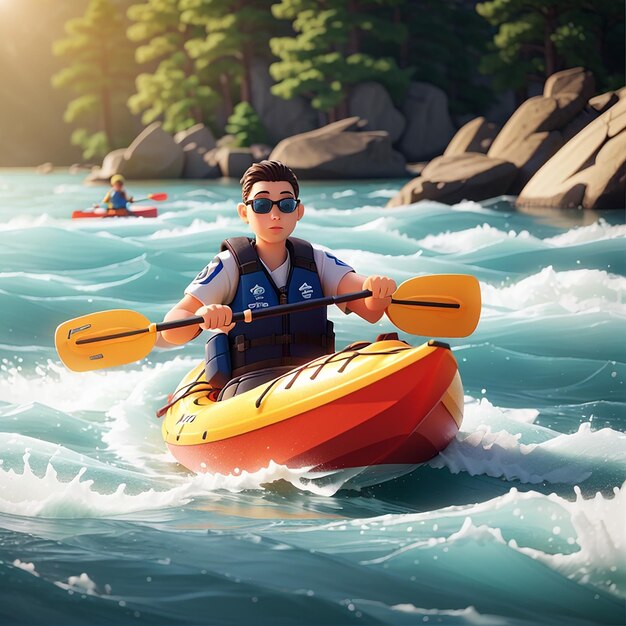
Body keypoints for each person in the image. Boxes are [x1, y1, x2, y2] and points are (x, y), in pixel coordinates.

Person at [159, 160, 396, 395]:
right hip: (248, 387)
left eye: (285, 204)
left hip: (313, 378)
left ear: (298, 211)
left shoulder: (317, 259)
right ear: (245, 213)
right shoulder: (229, 265)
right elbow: (172, 328)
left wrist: (377, 290)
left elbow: (369, 309)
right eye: (262, 205)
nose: (275, 215)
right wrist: (201, 317)